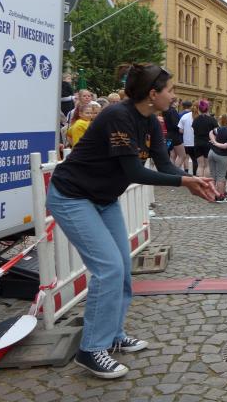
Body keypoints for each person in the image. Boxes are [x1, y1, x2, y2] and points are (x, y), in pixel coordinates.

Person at [46, 64, 216, 379]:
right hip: (72, 196)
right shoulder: (117, 116)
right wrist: (184, 182)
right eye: (170, 90)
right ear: (153, 94)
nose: (174, 96)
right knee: (108, 268)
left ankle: (112, 334)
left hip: (103, 198)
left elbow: (164, 164)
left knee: (122, 266)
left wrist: (190, 180)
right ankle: (90, 349)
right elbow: (134, 172)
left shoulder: (150, 119)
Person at [207, 114, 227, 203]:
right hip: (222, 155)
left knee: (212, 176)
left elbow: (211, 132)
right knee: (221, 177)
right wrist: (217, 144)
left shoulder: (221, 128)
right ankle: (220, 197)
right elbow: (225, 146)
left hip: (211, 152)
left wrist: (214, 141)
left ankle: (211, 195)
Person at [192, 100, 218, 178]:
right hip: (208, 143)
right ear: (208, 109)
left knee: (200, 165)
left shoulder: (195, 120)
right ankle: (206, 182)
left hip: (197, 143)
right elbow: (216, 132)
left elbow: (194, 131)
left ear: (199, 109)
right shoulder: (212, 120)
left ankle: (200, 182)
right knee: (207, 165)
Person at [163, 103, 186, 170]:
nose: (178, 103)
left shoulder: (166, 110)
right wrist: (181, 128)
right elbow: (176, 124)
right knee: (182, 156)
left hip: (168, 135)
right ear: (173, 103)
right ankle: (175, 171)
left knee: (172, 156)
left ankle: (170, 171)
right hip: (175, 136)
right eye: (177, 102)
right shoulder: (173, 111)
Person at [178, 102, 197, 175]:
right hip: (196, 142)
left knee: (184, 157)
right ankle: (195, 176)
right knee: (196, 161)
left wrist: (187, 131)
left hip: (186, 142)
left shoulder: (184, 116)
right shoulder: (200, 117)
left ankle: (182, 173)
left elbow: (180, 130)